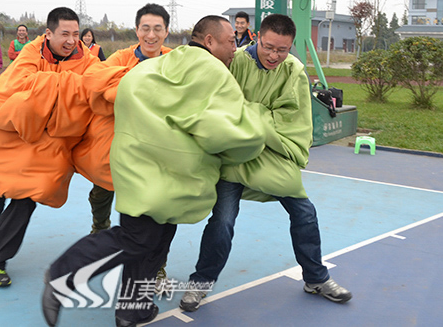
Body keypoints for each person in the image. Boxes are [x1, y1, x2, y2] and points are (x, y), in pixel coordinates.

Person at [42, 16, 277, 327]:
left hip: (144, 167)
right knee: (137, 239)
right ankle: (62, 274)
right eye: (231, 41)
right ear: (209, 41)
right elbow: (225, 131)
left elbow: (132, 88)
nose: (235, 48)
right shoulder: (211, 70)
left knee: (157, 240)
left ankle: (132, 310)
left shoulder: (168, 61)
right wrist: (257, 128)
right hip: (158, 173)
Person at [179, 14, 352, 313]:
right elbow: (217, 106)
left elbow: (293, 118)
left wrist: (249, 116)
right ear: (258, 36)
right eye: (269, 47)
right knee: (222, 220)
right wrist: (256, 119)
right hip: (234, 154)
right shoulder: (235, 62)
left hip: (272, 153)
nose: (274, 55)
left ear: (291, 46)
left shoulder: (294, 71)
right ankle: (201, 281)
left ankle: (316, 278)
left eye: (282, 50)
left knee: (305, 213)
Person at [0, 7, 101, 288]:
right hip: (11, 133)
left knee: (27, 196)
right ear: (48, 34)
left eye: (76, 34)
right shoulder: (31, 53)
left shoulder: (87, 61)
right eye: (65, 34)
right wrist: (65, 86)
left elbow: (99, 82)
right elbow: (18, 86)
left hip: (46, 145)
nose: (72, 41)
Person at [75, 4, 172, 237]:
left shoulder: (174, 60)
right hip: (117, 134)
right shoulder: (121, 58)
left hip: (156, 140)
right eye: (145, 28)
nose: (151, 35)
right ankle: (100, 227)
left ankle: (152, 251)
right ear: (137, 30)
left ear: (166, 31)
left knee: (152, 198)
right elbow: (93, 79)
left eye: (157, 29)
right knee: (101, 189)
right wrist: (134, 86)